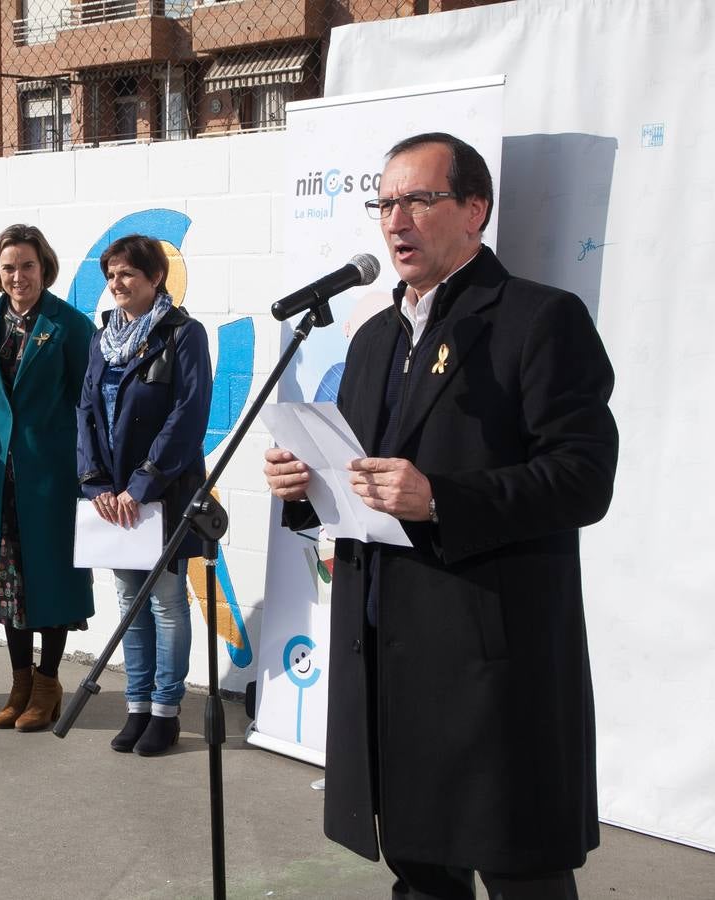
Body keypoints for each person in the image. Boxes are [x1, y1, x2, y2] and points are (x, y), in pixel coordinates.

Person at [264, 133, 618, 899]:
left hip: (491, 659)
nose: (397, 221)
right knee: (422, 873)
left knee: (522, 872)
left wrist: (443, 500)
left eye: (420, 200)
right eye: (386, 202)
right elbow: (359, 481)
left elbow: (585, 479)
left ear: (474, 210)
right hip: (389, 657)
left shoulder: (537, 320)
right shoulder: (371, 341)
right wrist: (304, 488)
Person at [76, 234, 212, 756]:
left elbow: (188, 415)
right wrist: (97, 485)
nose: (117, 283)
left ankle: (166, 711)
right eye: (111, 275)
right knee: (129, 600)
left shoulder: (183, 334)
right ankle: (136, 706)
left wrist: (141, 485)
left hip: (163, 494)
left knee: (168, 603)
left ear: (156, 278)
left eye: (128, 273)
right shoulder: (101, 338)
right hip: (114, 499)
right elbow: (86, 411)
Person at [0, 225, 96, 732]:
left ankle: (47, 684)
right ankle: (19, 683)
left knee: (51, 579)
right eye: (8, 267)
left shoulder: (68, 325)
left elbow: (88, 402)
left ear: (44, 268)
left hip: (52, 473)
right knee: (9, 582)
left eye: (27, 266)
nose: (17, 276)